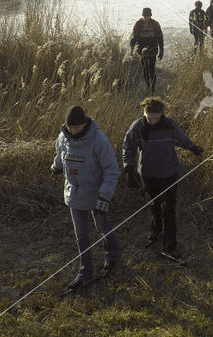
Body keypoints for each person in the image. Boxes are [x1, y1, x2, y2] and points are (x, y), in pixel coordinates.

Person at [123, 97, 204, 261]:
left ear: (161, 114)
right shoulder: (137, 127)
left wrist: (193, 147)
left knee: (169, 209)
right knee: (154, 203)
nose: (152, 120)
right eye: (149, 117)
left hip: (169, 173)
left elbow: (182, 139)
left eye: (155, 117)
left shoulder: (170, 125)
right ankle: (156, 230)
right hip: (147, 173)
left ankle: (170, 245)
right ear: (144, 114)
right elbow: (128, 147)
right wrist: (129, 167)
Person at [51, 105, 120, 291]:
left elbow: (111, 170)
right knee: (81, 235)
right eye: (70, 127)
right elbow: (60, 154)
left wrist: (104, 197)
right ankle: (85, 272)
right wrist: (56, 166)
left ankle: (113, 256)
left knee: (102, 227)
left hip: (96, 193)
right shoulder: (63, 138)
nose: (73, 131)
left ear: (85, 124)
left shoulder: (99, 140)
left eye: (77, 127)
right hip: (74, 192)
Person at [130, 7, 164, 93]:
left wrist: (161, 51)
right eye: (145, 16)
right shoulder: (138, 24)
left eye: (148, 16)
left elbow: (160, 37)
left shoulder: (155, 24)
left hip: (153, 47)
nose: (146, 18)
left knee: (152, 68)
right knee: (145, 68)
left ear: (150, 16)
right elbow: (134, 36)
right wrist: (132, 49)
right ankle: (148, 86)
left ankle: (153, 88)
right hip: (142, 48)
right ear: (143, 15)